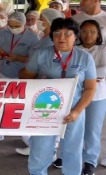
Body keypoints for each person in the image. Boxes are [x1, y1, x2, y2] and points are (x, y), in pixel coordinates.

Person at [19, 18, 97, 175]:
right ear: (51, 36)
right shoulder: (41, 55)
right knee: (40, 151)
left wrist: (76, 111)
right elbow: (25, 77)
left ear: (76, 36)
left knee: (72, 151)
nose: (62, 38)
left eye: (68, 34)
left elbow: (90, 88)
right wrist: (31, 76)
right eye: (57, 34)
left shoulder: (84, 58)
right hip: (44, 110)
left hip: (73, 111)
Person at [15, 9, 66, 157]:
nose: (39, 22)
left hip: (45, 84)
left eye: (42, 20)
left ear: (50, 22)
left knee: (46, 118)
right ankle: (35, 146)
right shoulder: (42, 38)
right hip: (35, 81)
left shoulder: (53, 41)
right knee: (37, 118)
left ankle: (51, 151)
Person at [0, 12, 39, 144]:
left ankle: (26, 137)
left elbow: (35, 59)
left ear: (23, 24)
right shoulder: (5, 34)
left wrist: (18, 58)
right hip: (4, 72)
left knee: (20, 107)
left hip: (21, 76)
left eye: (16, 26)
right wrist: (0, 55)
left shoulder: (32, 38)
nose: (13, 28)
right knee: (1, 104)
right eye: (10, 26)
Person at [75, 20, 106, 175]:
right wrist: (91, 76)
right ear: (79, 33)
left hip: (97, 96)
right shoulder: (74, 49)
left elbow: (104, 69)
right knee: (73, 129)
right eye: (85, 31)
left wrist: (81, 75)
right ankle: (71, 157)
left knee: (92, 130)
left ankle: (89, 162)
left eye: (92, 31)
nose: (88, 35)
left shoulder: (102, 49)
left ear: (98, 34)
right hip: (74, 96)